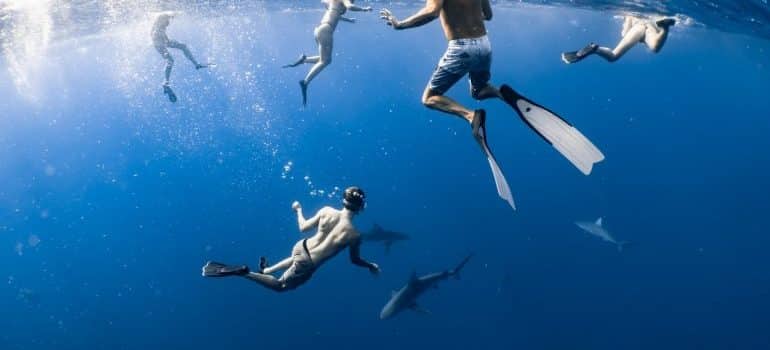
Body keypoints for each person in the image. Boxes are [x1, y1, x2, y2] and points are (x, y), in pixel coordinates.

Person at [379, 0, 605, 211]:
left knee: (429, 97)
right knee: (478, 90)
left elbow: (431, 11)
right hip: (484, 45)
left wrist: (400, 25)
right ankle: (501, 94)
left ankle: (470, 116)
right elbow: (488, 15)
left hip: (461, 48)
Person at [202, 187, 380, 292]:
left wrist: (298, 210)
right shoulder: (354, 235)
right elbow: (355, 260)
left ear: (343, 200)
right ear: (360, 208)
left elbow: (303, 228)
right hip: (309, 263)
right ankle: (244, 272)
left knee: (296, 258)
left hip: (301, 247)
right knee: (281, 286)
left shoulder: (326, 210)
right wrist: (371, 265)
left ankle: (267, 270)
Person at [282, 0, 373, 106]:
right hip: (326, 30)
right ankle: (305, 82)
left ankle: (304, 59)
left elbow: (334, 14)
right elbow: (350, 7)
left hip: (319, 30)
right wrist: (364, 9)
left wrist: (349, 20)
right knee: (325, 61)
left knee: (324, 59)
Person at [562, 15, 676, 64]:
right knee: (654, 47)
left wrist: (628, 25)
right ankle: (664, 27)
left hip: (641, 28)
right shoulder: (635, 21)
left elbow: (625, 31)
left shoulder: (630, 17)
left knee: (613, 55)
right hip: (646, 28)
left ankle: (665, 27)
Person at [152, 12, 212, 102]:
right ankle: (166, 83)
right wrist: (164, 38)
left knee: (181, 49)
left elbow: (159, 31)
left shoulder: (162, 21)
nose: (168, 24)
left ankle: (196, 64)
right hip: (158, 41)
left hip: (160, 41)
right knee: (171, 59)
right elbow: (156, 32)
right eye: (167, 22)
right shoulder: (161, 18)